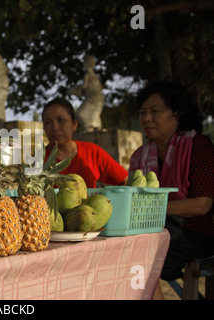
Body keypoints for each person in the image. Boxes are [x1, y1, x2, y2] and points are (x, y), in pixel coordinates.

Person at [129, 81, 214, 299]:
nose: (146, 119)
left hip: (195, 235)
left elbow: (203, 204)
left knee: (138, 259)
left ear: (177, 114)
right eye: (142, 113)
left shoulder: (199, 146)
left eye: (154, 111)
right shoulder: (139, 156)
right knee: (128, 254)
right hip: (152, 233)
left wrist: (154, 207)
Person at [42, 98, 128, 188]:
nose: (55, 127)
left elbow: (124, 180)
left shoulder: (93, 152)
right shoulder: (36, 161)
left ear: (74, 124)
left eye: (61, 120)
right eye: (48, 123)